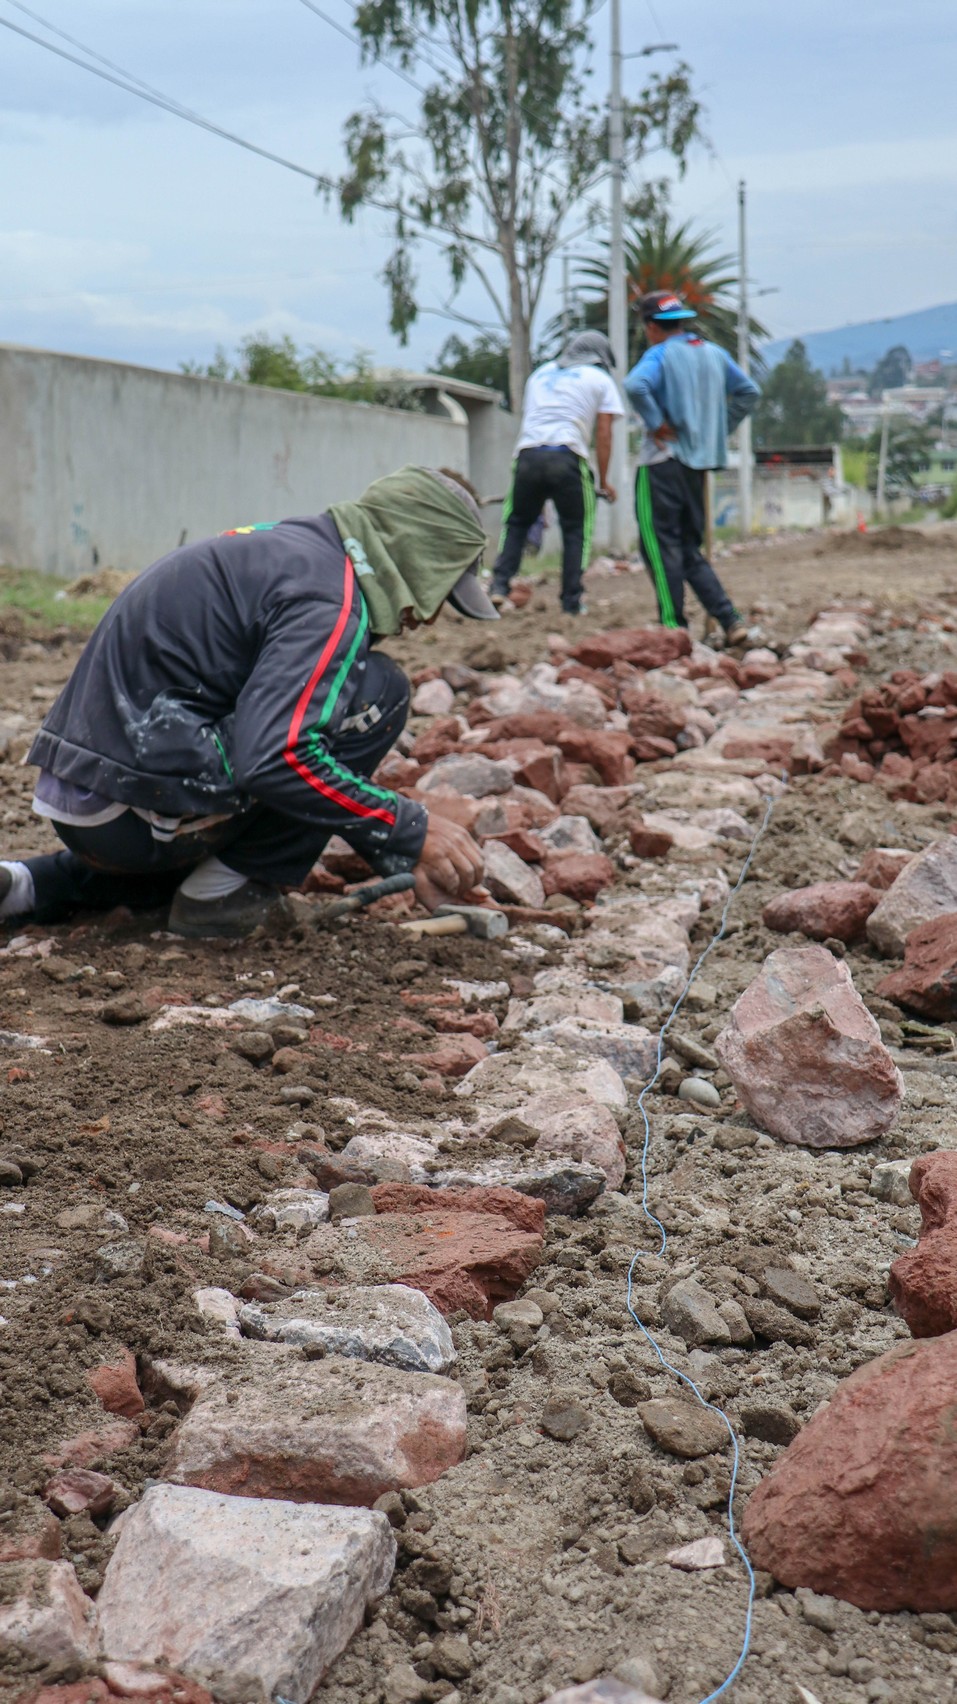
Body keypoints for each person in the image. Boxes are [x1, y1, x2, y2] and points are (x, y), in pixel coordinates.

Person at [0, 465, 496, 938]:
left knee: (188, 865)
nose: (430, 616)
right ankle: (223, 896)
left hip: (86, 789)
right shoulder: (331, 602)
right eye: (440, 588)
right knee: (379, 692)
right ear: (412, 553)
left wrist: (398, 852)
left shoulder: (298, 550)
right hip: (131, 807)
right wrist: (408, 829)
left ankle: (25, 885)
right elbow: (278, 758)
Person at [624, 290, 760, 644]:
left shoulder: (660, 354)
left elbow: (635, 385)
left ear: (652, 327)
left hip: (662, 463)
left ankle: (673, 627)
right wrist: (719, 429)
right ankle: (730, 619)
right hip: (697, 467)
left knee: (659, 547)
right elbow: (749, 392)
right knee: (687, 549)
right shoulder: (714, 353)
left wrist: (656, 423)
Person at [491, 330, 624, 615]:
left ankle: (499, 586)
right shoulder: (600, 379)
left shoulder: (539, 374)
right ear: (600, 360)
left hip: (527, 456)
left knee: (516, 523)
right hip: (567, 456)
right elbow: (604, 433)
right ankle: (571, 601)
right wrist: (604, 480)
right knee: (576, 530)